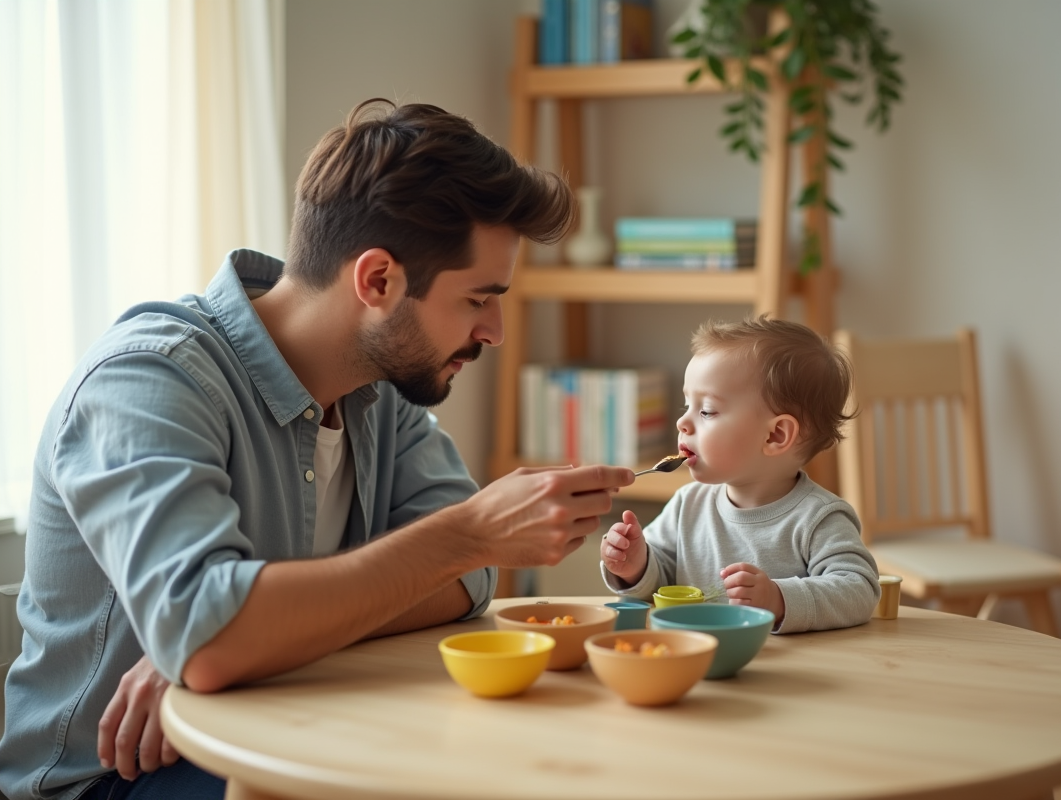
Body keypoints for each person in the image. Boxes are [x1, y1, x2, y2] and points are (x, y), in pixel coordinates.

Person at [0, 99, 634, 800]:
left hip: (281, 720)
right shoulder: (148, 380)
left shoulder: (381, 389)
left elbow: (465, 583)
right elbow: (216, 637)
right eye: (479, 299)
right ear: (378, 281)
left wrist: (255, 642)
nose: (496, 332)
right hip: (111, 780)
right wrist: (224, 641)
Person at [599, 316, 879, 633]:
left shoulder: (819, 518)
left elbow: (860, 589)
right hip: (693, 664)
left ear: (775, 436)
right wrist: (636, 567)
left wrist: (780, 599)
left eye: (706, 411)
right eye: (686, 405)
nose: (683, 423)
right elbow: (659, 583)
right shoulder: (687, 504)